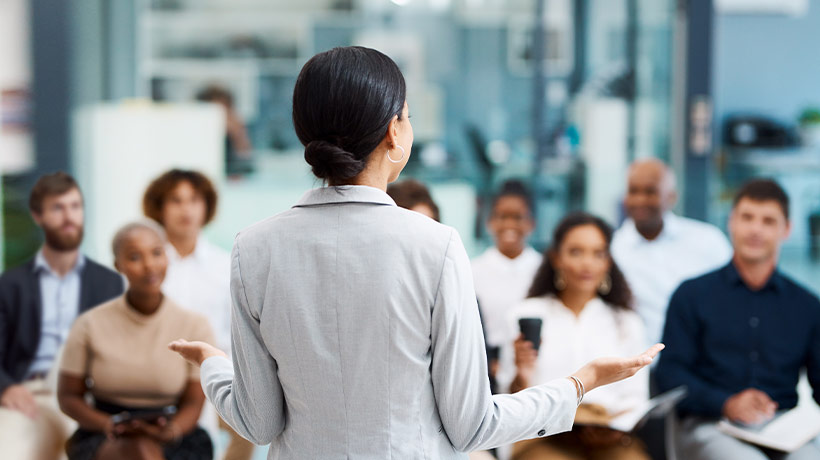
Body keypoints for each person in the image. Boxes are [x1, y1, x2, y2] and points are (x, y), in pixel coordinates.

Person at [168, 46, 662, 459]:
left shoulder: (252, 248)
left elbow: (258, 423)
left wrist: (214, 365)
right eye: (406, 114)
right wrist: (580, 383)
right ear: (393, 132)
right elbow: (472, 425)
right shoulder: (437, 245)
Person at [656, 179, 820, 460]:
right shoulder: (691, 295)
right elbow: (670, 374)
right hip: (711, 424)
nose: (755, 229)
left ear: (786, 229)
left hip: (783, 428)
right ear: (731, 222)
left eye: (768, 221)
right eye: (747, 218)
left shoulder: (807, 305)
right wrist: (726, 403)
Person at [57, 220, 215, 460]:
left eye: (156, 253)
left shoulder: (195, 325)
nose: (149, 265)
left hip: (173, 433)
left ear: (167, 256)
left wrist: (170, 431)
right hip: (105, 431)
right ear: (118, 265)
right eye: (134, 257)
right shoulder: (89, 324)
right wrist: (109, 424)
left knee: (143, 450)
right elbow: (68, 396)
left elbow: (194, 403)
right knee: (137, 451)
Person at [498, 213, 650, 460]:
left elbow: (635, 398)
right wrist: (522, 374)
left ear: (608, 261)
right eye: (576, 252)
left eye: (597, 253)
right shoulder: (526, 314)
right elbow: (507, 399)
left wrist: (618, 428)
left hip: (607, 436)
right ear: (557, 258)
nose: (587, 264)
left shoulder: (625, 321)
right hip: (542, 433)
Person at [0, 172, 124, 459]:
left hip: (89, 396)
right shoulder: (11, 285)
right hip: (32, 395)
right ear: (38, 215)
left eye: (75, 206)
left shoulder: (109, 282)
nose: (69, 216)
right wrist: (6, 389)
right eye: (58, 208)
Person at [143, 168, 254, 460]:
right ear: (160, 208)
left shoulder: (225, 266)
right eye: (176, 201)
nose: (186, 209)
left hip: (215, 378)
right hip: (157, 382)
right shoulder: (144, 266)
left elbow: (238, 333)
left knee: (248, 430)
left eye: (194, 200)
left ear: (206, 207)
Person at [611, 159, 732, 346]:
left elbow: (732, 297)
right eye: (633, 191)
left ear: (672, 197)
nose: (640, 200)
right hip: (640, 366)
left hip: (703, 362)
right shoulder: (612, 250)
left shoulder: (708, 241)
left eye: (651, 191)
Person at [472, 180, 542, 350]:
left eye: (518, 217)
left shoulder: (544, 269)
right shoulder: (473, 271)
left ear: (531, 223)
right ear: (490, 223)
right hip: (488, 368)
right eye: (502, 217)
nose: (510, 224)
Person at [196, 85, 253, 177]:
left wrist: (237, 133)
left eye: (225, 111)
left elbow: (246, 158)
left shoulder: (236, 127)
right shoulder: (195, 136)